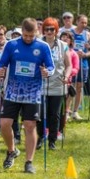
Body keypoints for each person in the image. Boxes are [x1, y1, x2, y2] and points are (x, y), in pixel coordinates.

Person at [0, 18, 54, 174]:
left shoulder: (43, 47)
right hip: (13, 91)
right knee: (4, 124)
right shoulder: (12, 44)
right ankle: (11, 150)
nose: (28, 39)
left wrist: (47, 72)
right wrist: (0, 69)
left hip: (32, 91)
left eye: (31, 36)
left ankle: (29, 162)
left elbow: (51, 66)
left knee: (30, 126)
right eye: (26, 35)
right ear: (21, 32)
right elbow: (1, 63)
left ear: (36, 32)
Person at [36, 18, 71, 150]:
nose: (49, 31)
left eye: (52, 29)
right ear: (43, 30)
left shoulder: (63, 45)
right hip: (41, 85)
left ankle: (52, 140)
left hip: (57, 84)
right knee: (39, 113)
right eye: (47, 29)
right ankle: (40, 137)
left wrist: (67, 76)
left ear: (56, 30)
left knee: (55, 114)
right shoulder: (37, 44)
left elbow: (68, 65)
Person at [70, 14, 90, 120]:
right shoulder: (71, 33)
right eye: (82, 22)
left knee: (79, 87)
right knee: (70, 87)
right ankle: (66, 111)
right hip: (71, 63)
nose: (84, 24)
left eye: (85, 23)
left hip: (83, 63)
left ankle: (75, 111)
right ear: (77, 21)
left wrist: (85, 54)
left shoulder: (87, 34)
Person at [59, 31, 79, 139]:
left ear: (71, 40)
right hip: (53, 82)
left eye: (67, 38)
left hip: (67, 82)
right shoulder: (55, 51)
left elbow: (75, 68)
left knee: (63, 106)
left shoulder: (73, 53)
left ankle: (61, 129)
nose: (65, 39)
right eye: (63, 37)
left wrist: (68, 73)